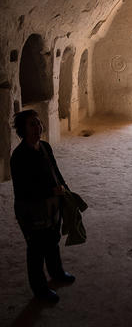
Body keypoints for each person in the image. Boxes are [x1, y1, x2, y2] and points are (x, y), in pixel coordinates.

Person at [10, 110, 75, 303]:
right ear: (22, 129)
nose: (38, 127)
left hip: (51, 206)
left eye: (38, 122)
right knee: (36, 248)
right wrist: (50, 192)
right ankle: (40, 289)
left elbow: (55, 172)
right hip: (31, 210)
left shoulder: (45, 147)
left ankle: (56, 273)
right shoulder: (19, 156)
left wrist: (66, 192)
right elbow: (23, 191)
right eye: (32, 124)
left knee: (52, 240)